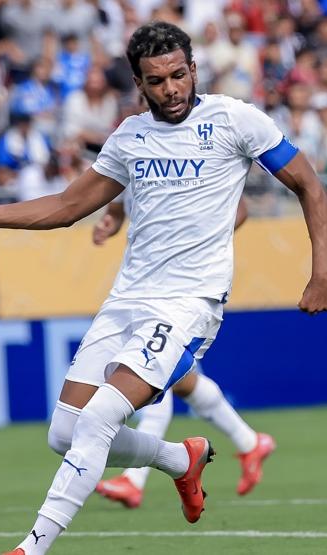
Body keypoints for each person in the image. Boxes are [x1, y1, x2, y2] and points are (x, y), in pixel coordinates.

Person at [0, 22, 327, 555]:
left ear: (193, 70)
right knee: (64, 434)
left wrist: (323, 272)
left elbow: (309, 184)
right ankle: (180, 459)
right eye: (157, 81)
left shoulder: (234, 120)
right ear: (139, 84)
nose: (172, 89)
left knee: (100, 416)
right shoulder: (131, 137)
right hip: (126, 301)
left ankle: (30, 547)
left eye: (179, 75)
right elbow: (65, 207)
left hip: (189, 304)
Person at [89, 197, 277, 507]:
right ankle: (250, 441)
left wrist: (200, 243)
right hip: (146, 285)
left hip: (184, 288)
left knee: (150, 370)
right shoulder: (133, 151)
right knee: (178, 379)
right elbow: (122, 197)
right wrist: (110, 220)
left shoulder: (194, 157)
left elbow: (239, 207)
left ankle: (133, 480)